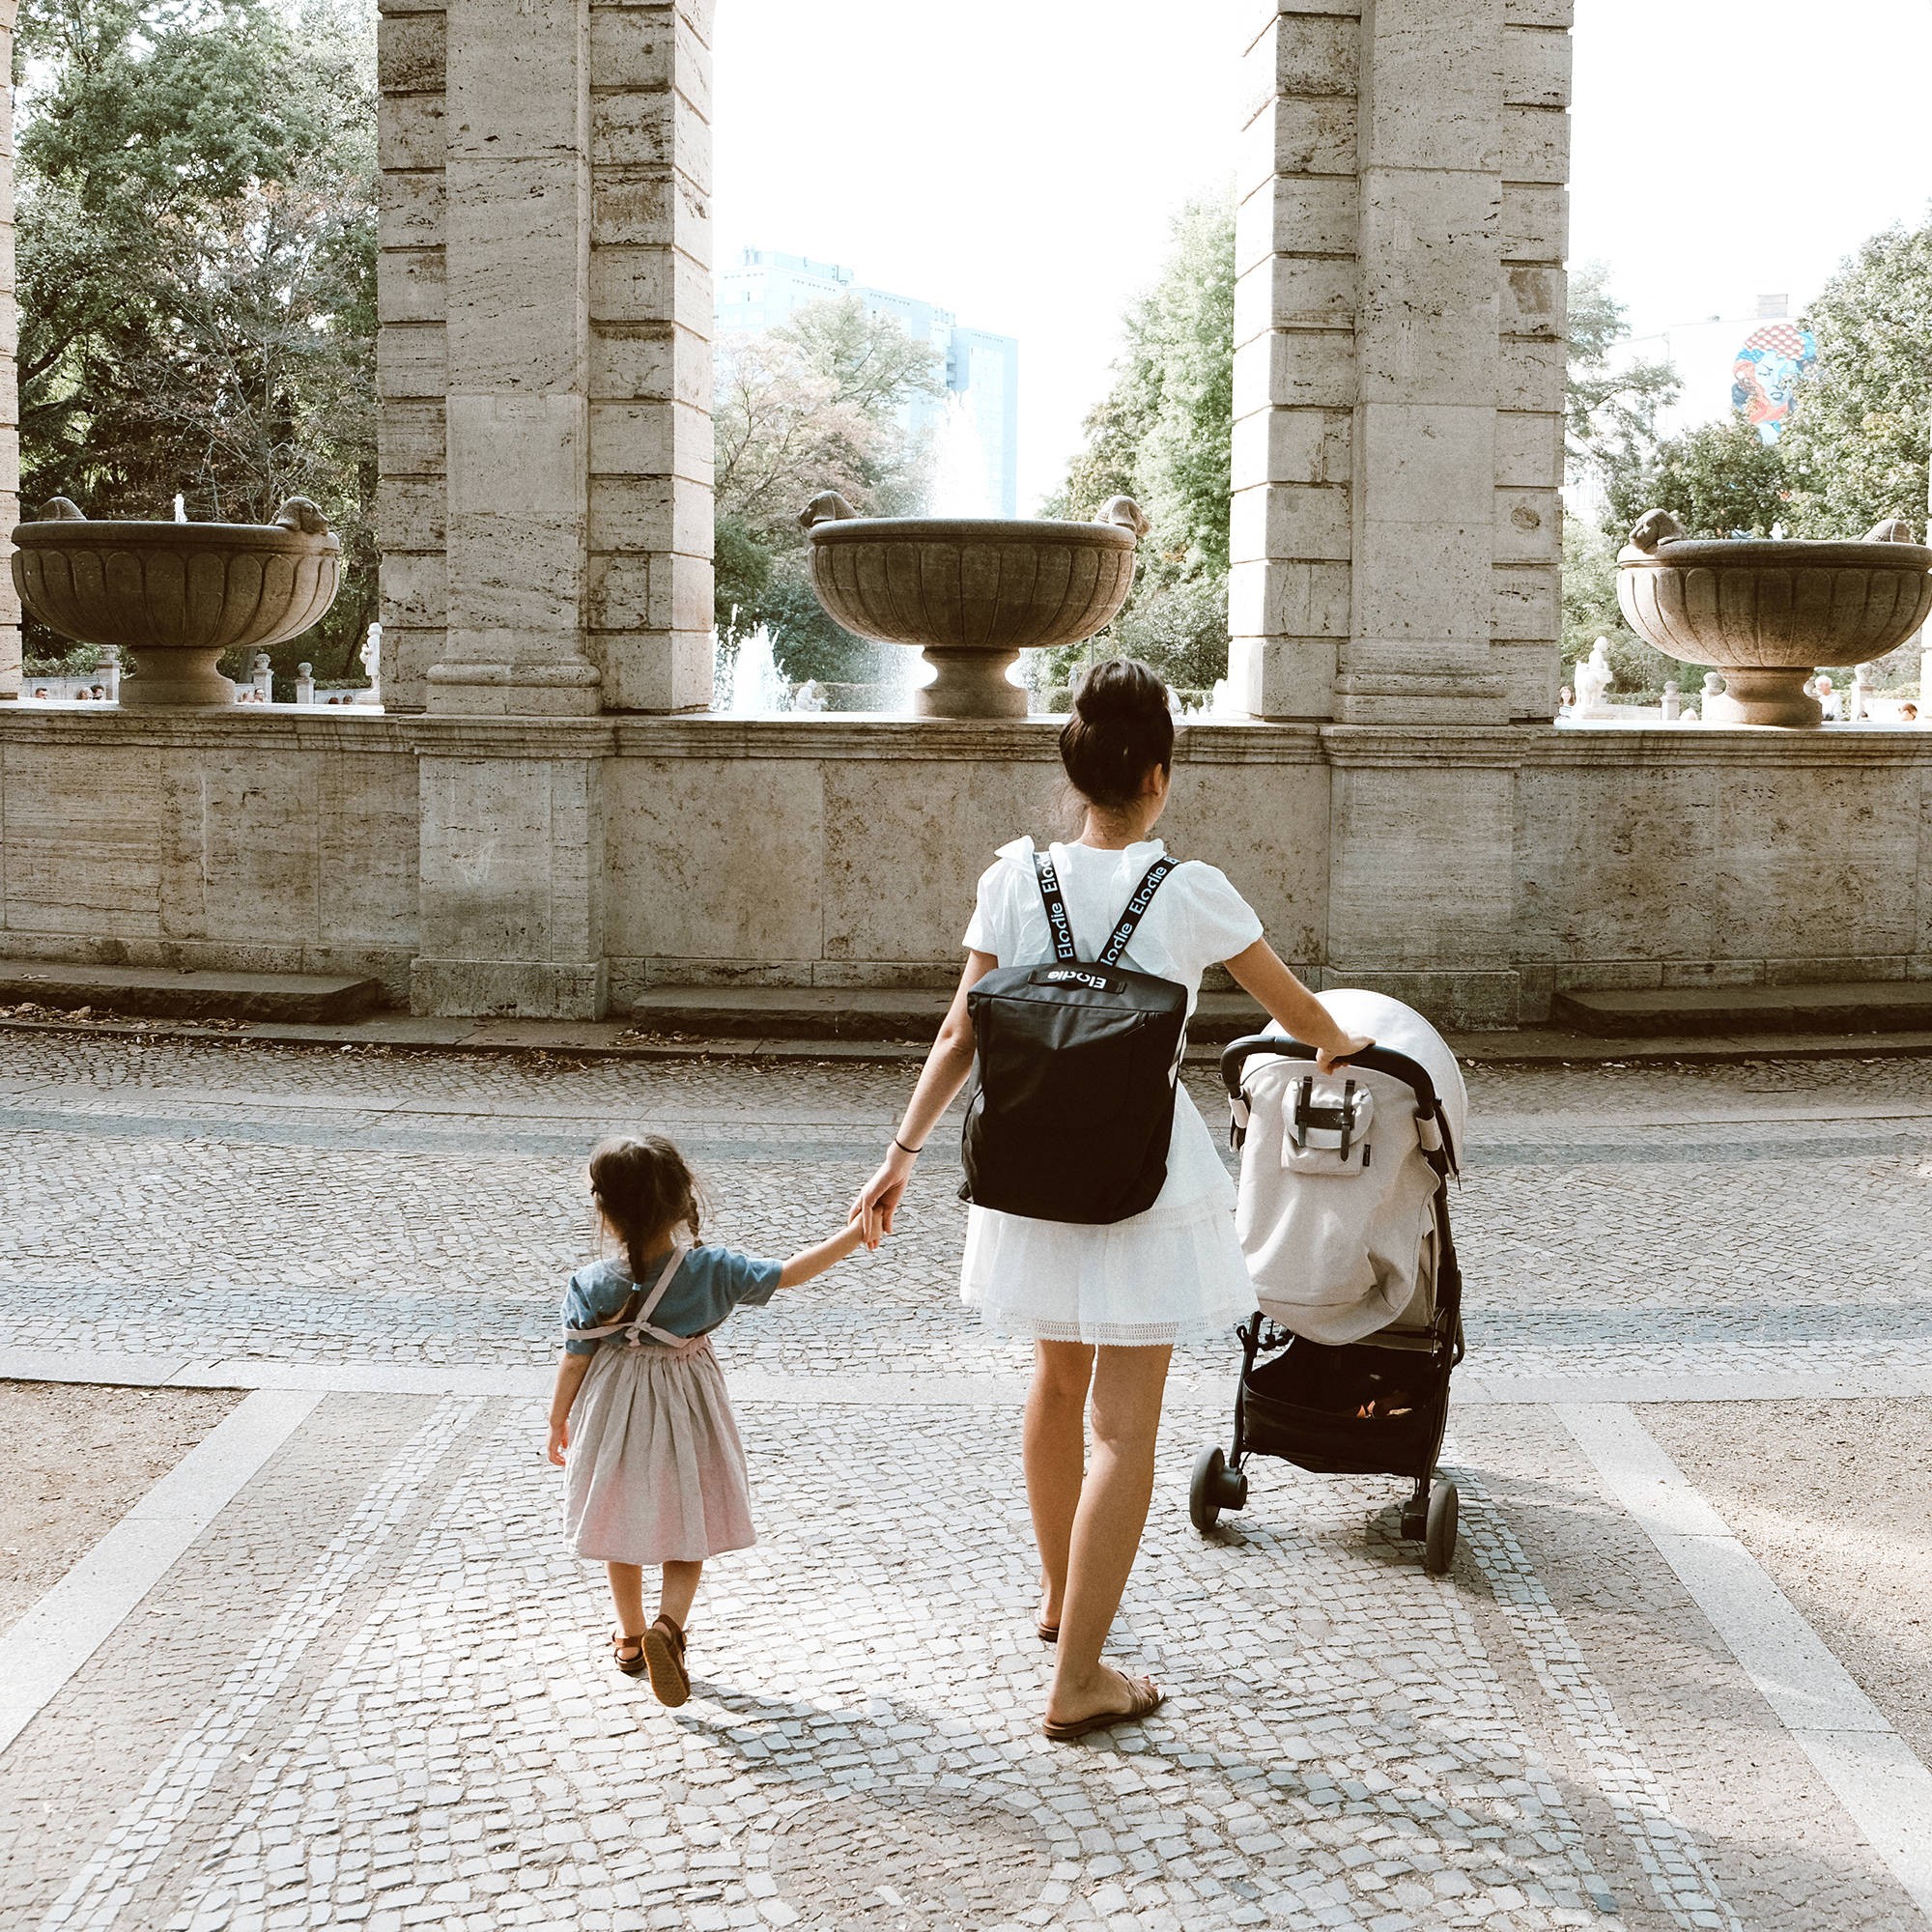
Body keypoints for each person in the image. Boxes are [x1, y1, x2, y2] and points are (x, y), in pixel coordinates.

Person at [852, 658, 1371, 1743]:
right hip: (1142, 1179)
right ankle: (1079, 1676)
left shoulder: (1012, 878)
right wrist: (1339, 1042)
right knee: (1124, 1433)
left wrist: (900, 1152)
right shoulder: (1190, 891)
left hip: (1030, 1169)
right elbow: (1295, 1011)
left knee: (1054, 1387)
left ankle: (1061, 1602)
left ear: (1076, 773)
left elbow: (957, 1032)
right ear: (1157, 776)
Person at [548, 1133, 878, 1704]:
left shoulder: (591, 1283)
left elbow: (575, 1358)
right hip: (687, 1404)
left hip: (613, 1409)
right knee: (689, 1511)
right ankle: (669, 1627)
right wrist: (853, 1233)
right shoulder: (711, 1270)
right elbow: (789, 1273)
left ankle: (630, 1637)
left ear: (605, 1210)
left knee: (615, 1515)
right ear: (683, 1200)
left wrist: (558, 1420)